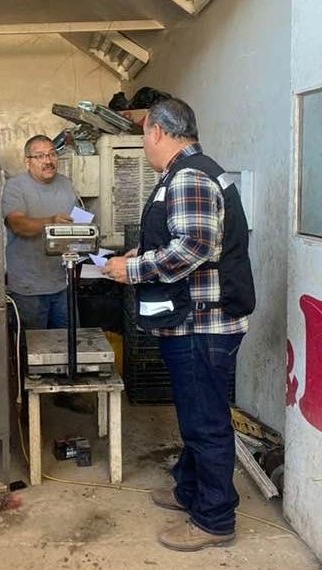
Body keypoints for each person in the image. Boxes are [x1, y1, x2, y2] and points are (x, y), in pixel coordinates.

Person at [103, 98, 255, 551]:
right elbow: (187, 240)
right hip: (195, 320)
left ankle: (214, 518)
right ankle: (190, 490)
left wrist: (131, 270)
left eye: (144, 135)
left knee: (206, 422)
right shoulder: (192, 171)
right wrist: (138, 255)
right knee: (194, 415)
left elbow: (191, 247)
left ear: (156, 132)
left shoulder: (188, 176)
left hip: (203, 325)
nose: (144, 144)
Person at [2, 134, 78, 330]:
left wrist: (86, 234)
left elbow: (77, 220)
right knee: (35, 351)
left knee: (70, 345)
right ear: (27, 161)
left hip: (62, 284)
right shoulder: (15, 187)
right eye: (40, 156)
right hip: (29, 288)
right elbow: (18, 225)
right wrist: (51, 222)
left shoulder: (65, 184)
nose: (48, 161)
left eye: (52, 154)